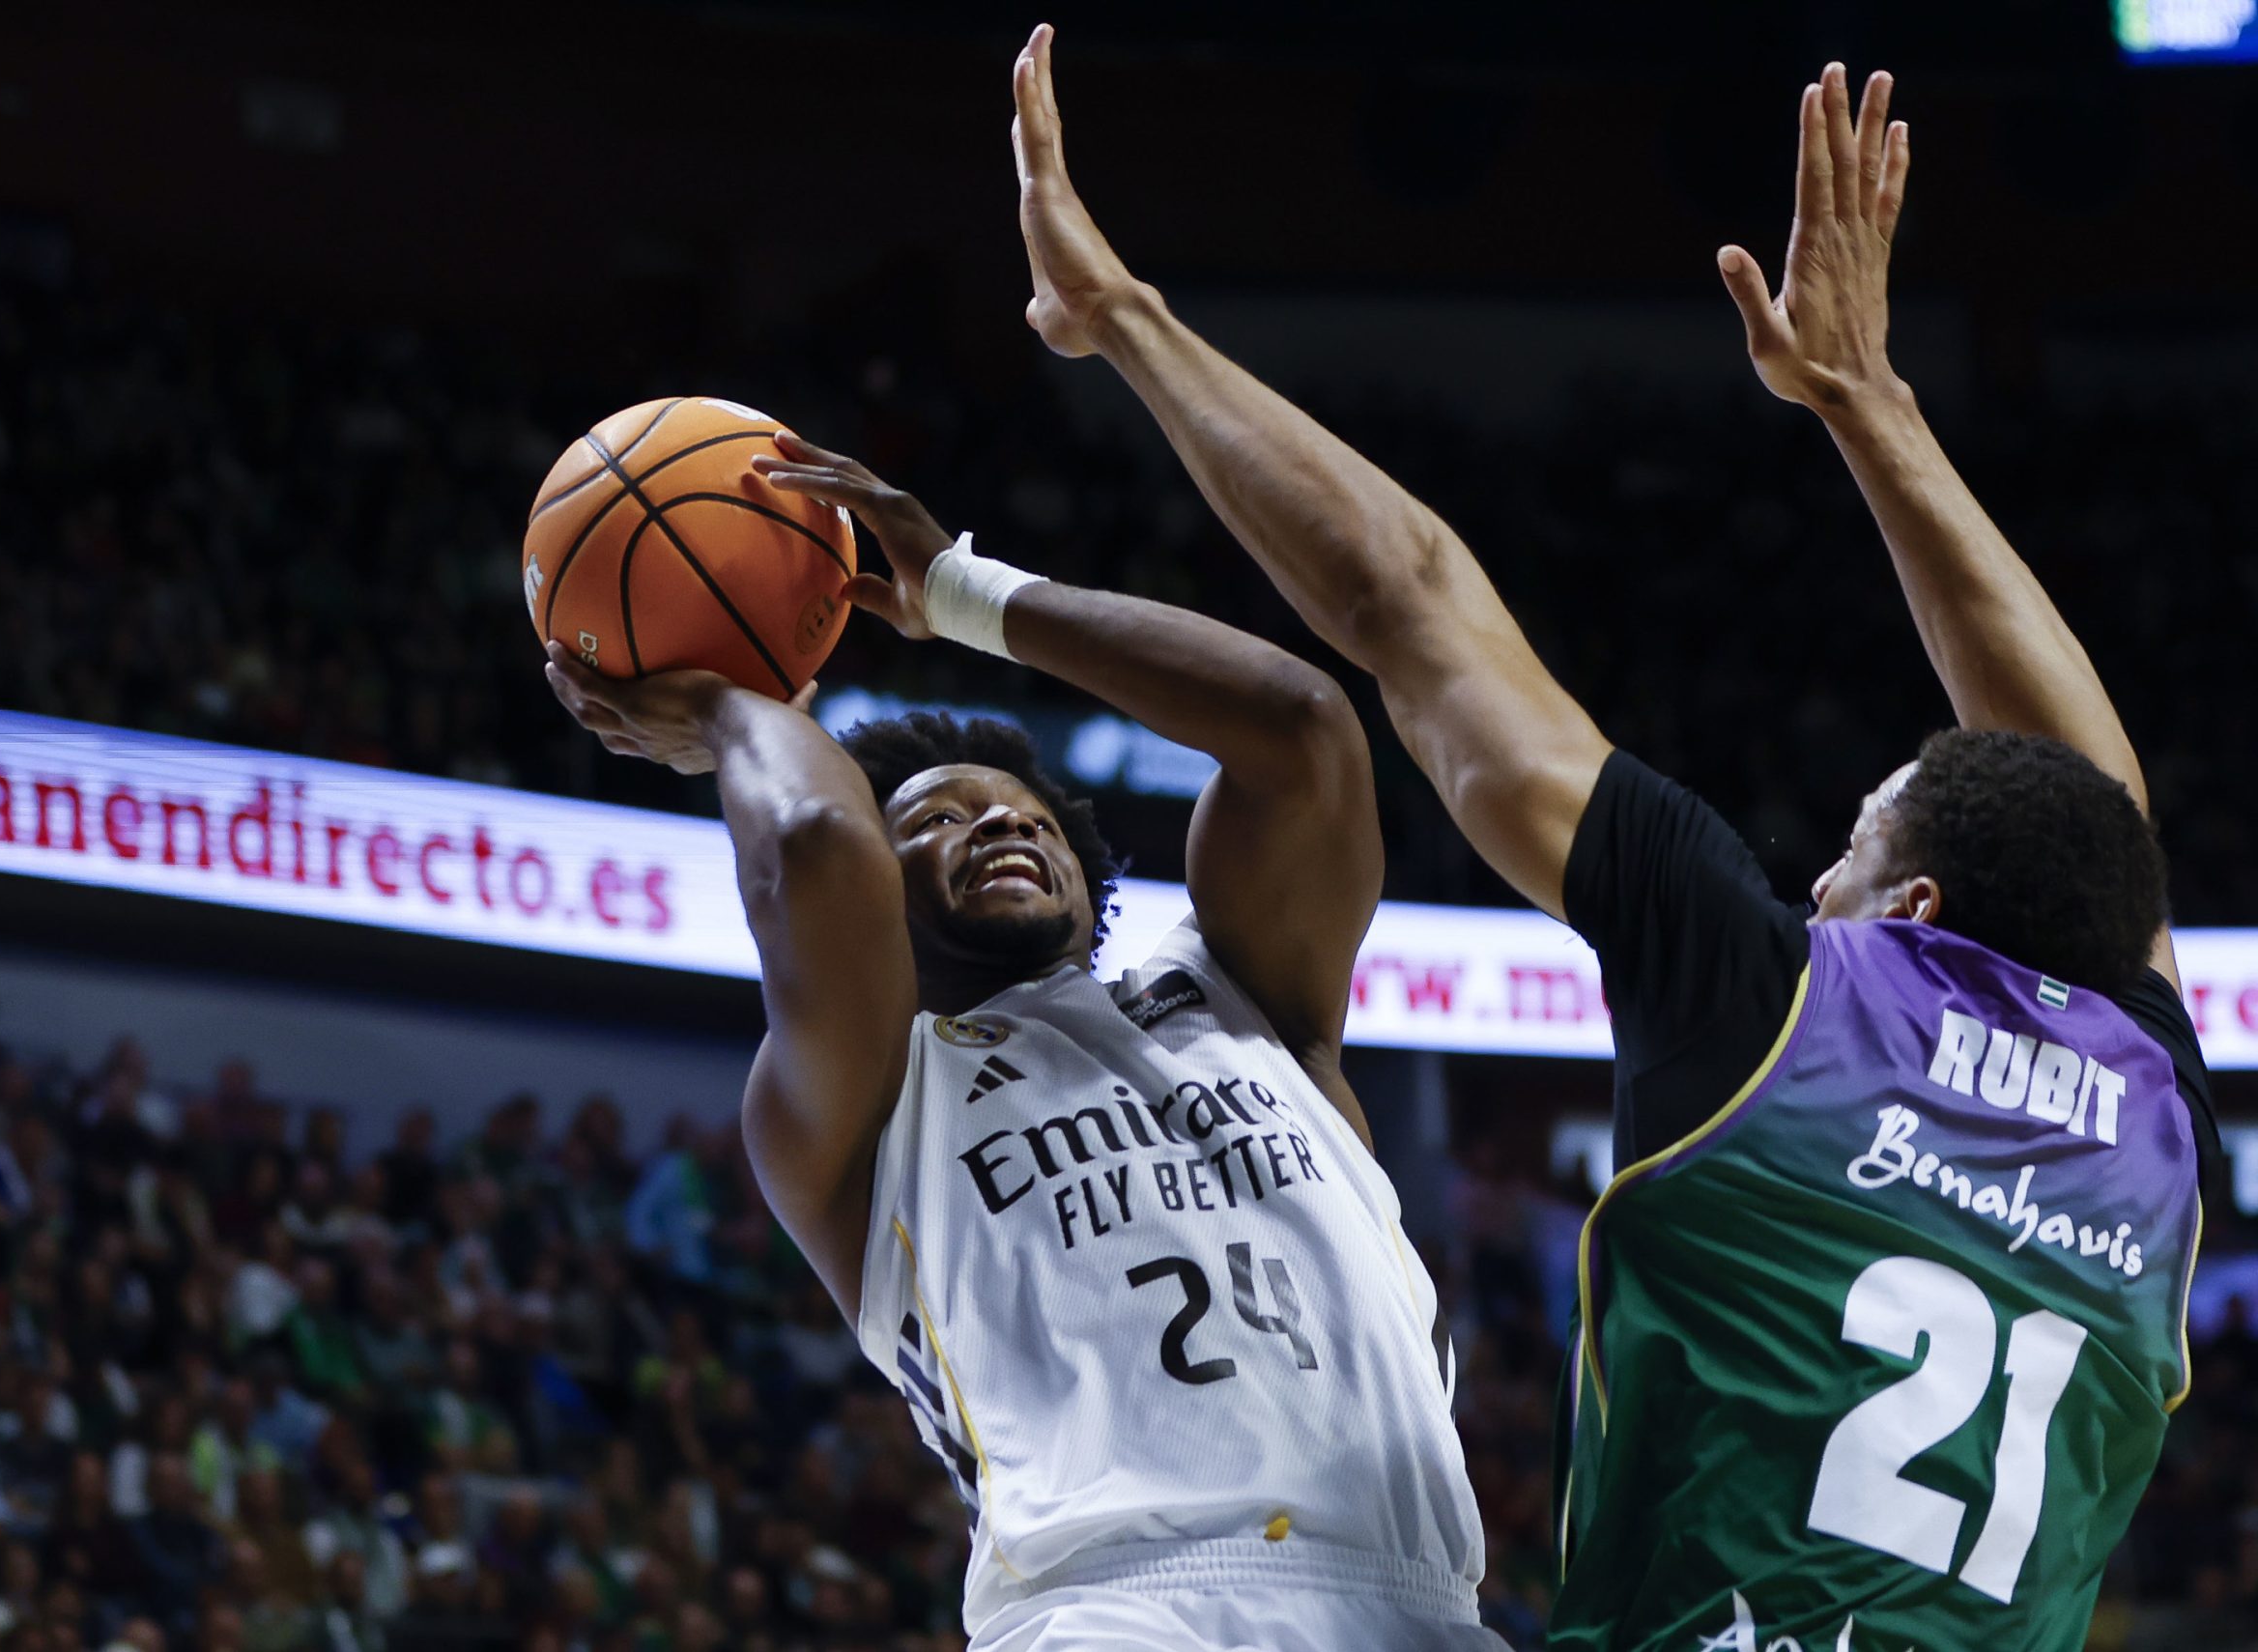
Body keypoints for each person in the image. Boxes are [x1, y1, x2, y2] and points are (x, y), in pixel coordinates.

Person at [1003, 29, 2215, 1650]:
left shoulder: (1776, 999)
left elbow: (1408, 606)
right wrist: (1871, 408)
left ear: (1916, 908)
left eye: (1846, 856)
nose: (1812, 884)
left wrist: (1130, 325)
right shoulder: (2149, 1116)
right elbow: (2095, 817)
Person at [541, 429, 1499, 1647]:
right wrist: (729, 711)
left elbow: (1301, 729)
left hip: (1419, 1607)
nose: (997, 825)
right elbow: (819, 846)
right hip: (1117, 1611)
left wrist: (965, 595)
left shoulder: (1240, 998)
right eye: (937, 818)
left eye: (1023, 813)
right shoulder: (873, 1101)